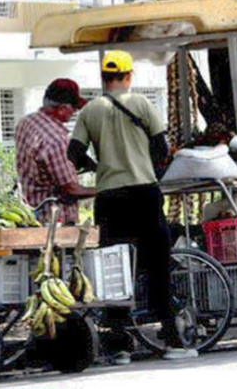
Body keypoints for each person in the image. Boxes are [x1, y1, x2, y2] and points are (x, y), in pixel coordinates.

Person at [68, 50, 197, 361]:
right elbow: (162, 147)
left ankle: (121, 343)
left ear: (103, 77)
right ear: (128, 76)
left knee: (115, 267)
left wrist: (98, 165)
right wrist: (149, 169)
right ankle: (170, 339)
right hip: (144, 194)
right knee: (158, 262)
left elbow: (73, 153)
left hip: (110, 198)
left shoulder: (91, 110)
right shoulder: (141, 103)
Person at [15, 79, 95, 224]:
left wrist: (82, 162)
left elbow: (42, 161)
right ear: (63, 108)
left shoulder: (26, 123)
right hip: (55, 220)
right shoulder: (56, 140)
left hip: (32, 213)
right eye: (74, 108)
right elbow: (71, 190)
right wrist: (106, 190)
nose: (75, 113)